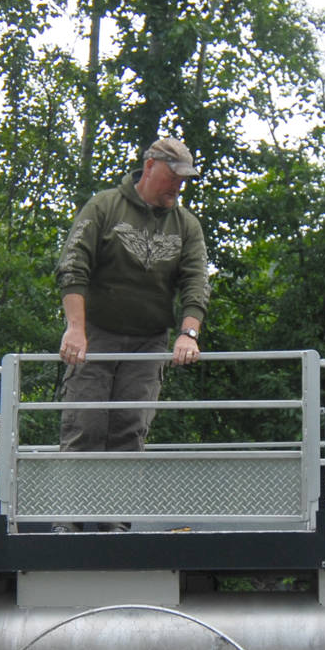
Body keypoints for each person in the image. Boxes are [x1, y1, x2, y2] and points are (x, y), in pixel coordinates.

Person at [54, 135, 211, 459]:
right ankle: (74, 509)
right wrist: (75, 329)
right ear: (149, 167)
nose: (178, 185)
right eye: (173, 176)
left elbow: (196, 279)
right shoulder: (105, 206)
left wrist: (188, 334)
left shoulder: (186, 225)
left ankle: (122, 511)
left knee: (130, 429)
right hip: (95, 335)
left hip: (148, 343)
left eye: (183, 179)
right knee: (86, 426)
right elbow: (73, 264)